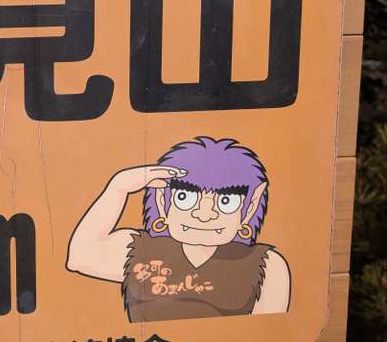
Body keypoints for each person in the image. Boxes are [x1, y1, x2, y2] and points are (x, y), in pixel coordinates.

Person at [66, 136, 291, 322]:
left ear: (250, 207)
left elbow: (272, 332)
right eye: (185, 197)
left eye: (226, 201)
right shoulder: (141, 250)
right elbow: (80, 257)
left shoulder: (267, 265)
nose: (204, 215)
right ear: (162, 200)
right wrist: (118, 187)